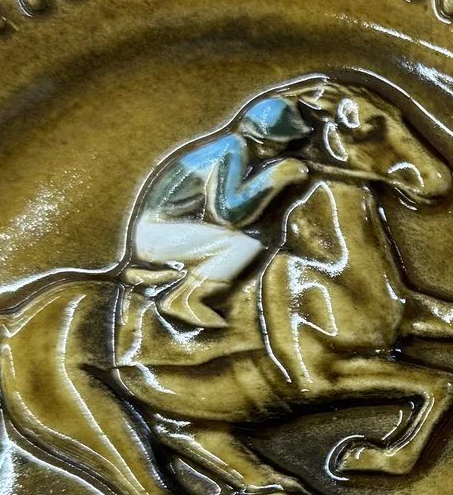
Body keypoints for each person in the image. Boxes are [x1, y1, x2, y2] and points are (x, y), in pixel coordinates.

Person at [128, 75, 342, 329]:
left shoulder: (228, 146)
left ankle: (177, 284)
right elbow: (227, 211)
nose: (279, 151)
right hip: (158, 232)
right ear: (263, 140)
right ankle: (185, 298)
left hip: (163, 231)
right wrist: (275, 177)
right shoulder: (232, 148)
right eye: (279, 145)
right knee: (243, 245)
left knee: (238, 242)